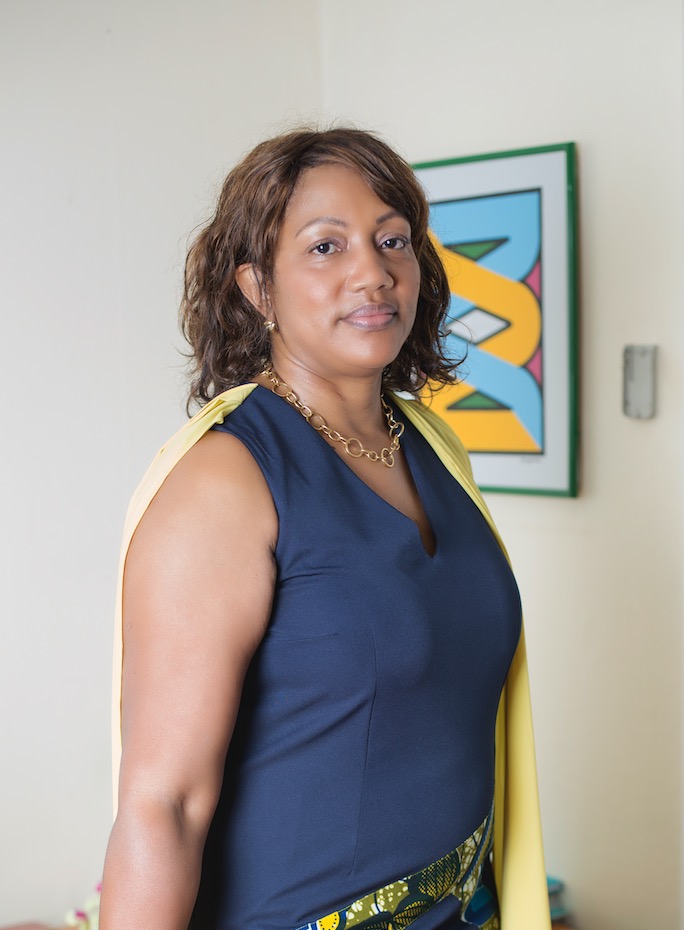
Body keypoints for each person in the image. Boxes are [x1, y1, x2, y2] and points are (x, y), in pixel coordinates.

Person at [100, 128, 549, 930]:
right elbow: (162, 806)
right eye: (325, 246)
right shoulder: (227, 481)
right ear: (257, 288)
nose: (372, 272)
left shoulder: (434, 448)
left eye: (392, 240)